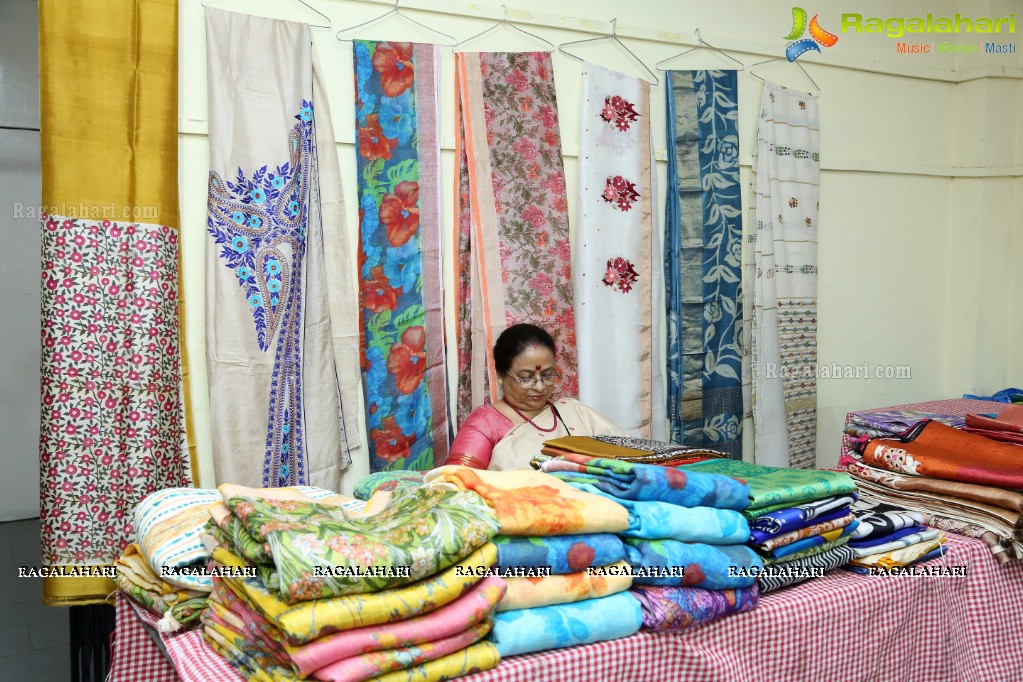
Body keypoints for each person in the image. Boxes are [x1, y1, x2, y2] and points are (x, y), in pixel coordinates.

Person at [446, 323, 625, 470]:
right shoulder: (485, 423)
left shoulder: (574, 413)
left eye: (547, 375)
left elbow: (629, 459)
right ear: (501, 374)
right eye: (526, 378)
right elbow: (458, 481)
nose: (540, 386)